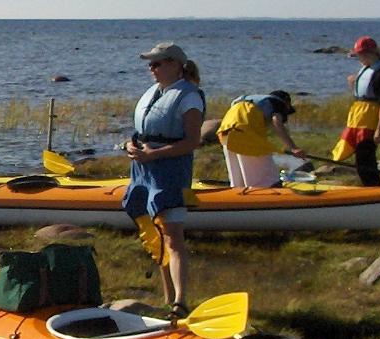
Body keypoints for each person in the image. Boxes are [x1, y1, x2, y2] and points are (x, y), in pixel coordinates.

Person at [123, 42, 206, 316]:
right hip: (144, 171)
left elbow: (192, 141)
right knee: (156, 233)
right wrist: (129, 147)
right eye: (150, 64)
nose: (151, 68)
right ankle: (168, 298)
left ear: (174, 65)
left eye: (157, 64)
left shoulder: (189, 97)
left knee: (173, 237)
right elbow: (140, 133)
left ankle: (181, 302)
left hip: (170, 171)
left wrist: (155, 156)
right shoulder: (155, 93)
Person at [331, 36, 380, 187]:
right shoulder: (367, 68)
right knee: (360, 160)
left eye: (361, 55)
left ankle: (374, 191)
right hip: (358, 118)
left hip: (370, 121)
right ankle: (371, 190)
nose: (359, 58)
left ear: (371, 53)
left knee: (365, 159)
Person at [216, 91, 306, 188]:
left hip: (225, 132)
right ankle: (266, 196)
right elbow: (277, 123)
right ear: (287, 103)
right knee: (269, 180)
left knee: (238, 183)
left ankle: (238, 198)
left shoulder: (251, 102)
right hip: (245, 132)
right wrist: (293, 148)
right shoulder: (278, 103)